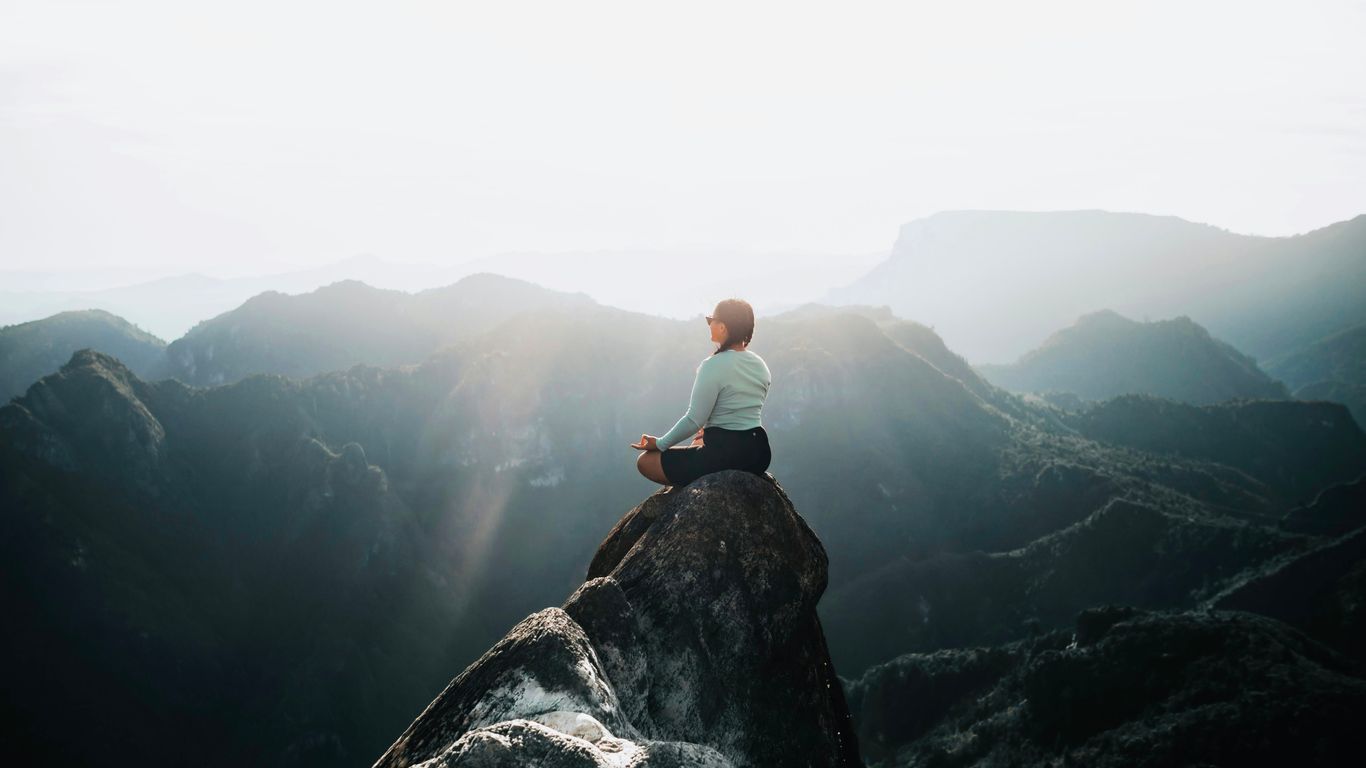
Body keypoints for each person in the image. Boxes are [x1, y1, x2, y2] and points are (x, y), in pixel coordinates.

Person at [631, 298, 773, 486]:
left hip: (725, 454)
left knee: (645, 461)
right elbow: (741, 411)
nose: (709, 324)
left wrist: (659, 444)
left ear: (722, 327)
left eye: (710, 320)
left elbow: (694, 419)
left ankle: (687, 486)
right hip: (759, 453)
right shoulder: (760, 365)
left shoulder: (713, 365)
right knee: (700, 436)